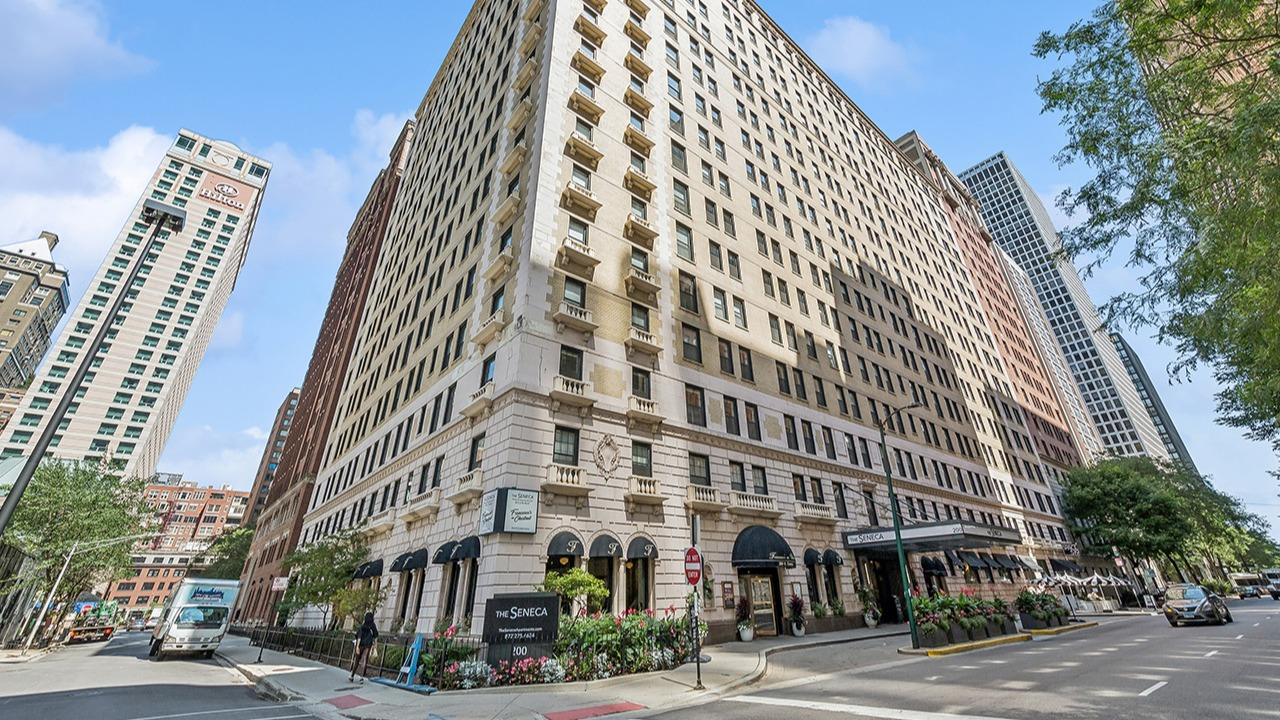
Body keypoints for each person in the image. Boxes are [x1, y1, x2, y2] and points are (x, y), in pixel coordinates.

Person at [349, 612, 378, 683]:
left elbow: (359, 637)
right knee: (364, 660)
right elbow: (376, 635)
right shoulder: (373, 626)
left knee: (357, 660)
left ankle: (352, 676)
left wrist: (357, 647)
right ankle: (361, 677)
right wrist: (375, 645)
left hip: (361, 644)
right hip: (368, 645)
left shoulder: (363, 626)